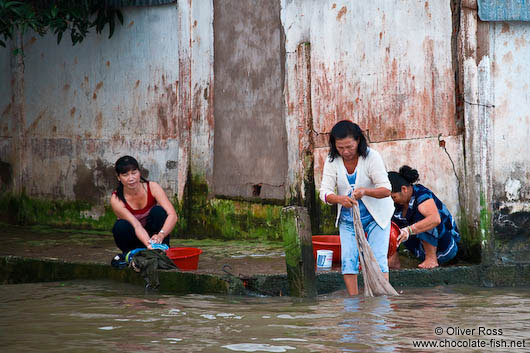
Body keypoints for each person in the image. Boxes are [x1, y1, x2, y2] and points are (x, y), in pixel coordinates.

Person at [319, 120, 394, 296]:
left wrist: (365, 191)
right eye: (340, 147)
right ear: (334, 145)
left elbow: (386, 190)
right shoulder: (332, 160)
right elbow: (324, 192)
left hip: (377, 216)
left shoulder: (371, 157)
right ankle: (353, 302)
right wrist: (338, 199)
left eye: (349, 147)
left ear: (358, 141)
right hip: (348, 217)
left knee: (377, 260)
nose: (345, 152)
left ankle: (381, 302)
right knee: (348, 259)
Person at [387, 165, 460, 269]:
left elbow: (435, 219)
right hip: (420, 251)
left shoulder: (421, 194)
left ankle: (431, 259)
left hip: (446, 247)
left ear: (404, 189)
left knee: (424, 216)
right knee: (390, 226)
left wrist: (408, 230)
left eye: (394, 197)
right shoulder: (397, 206)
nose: (393, 200)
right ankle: (393, 262)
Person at [110, 156, 178, 256]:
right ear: (119, 177)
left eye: (134, 173)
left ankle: (162, 250)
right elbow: (136, 225)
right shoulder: (116, 199)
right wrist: (149, 245)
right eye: (125, 175)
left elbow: (172, 215)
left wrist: (160, 235)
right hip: (135, 238)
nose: (131, 178)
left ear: (139, 172)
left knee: (158, 211)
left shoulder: (152, 187)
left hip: (155, 237)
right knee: (121, 226)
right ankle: (131, 254)